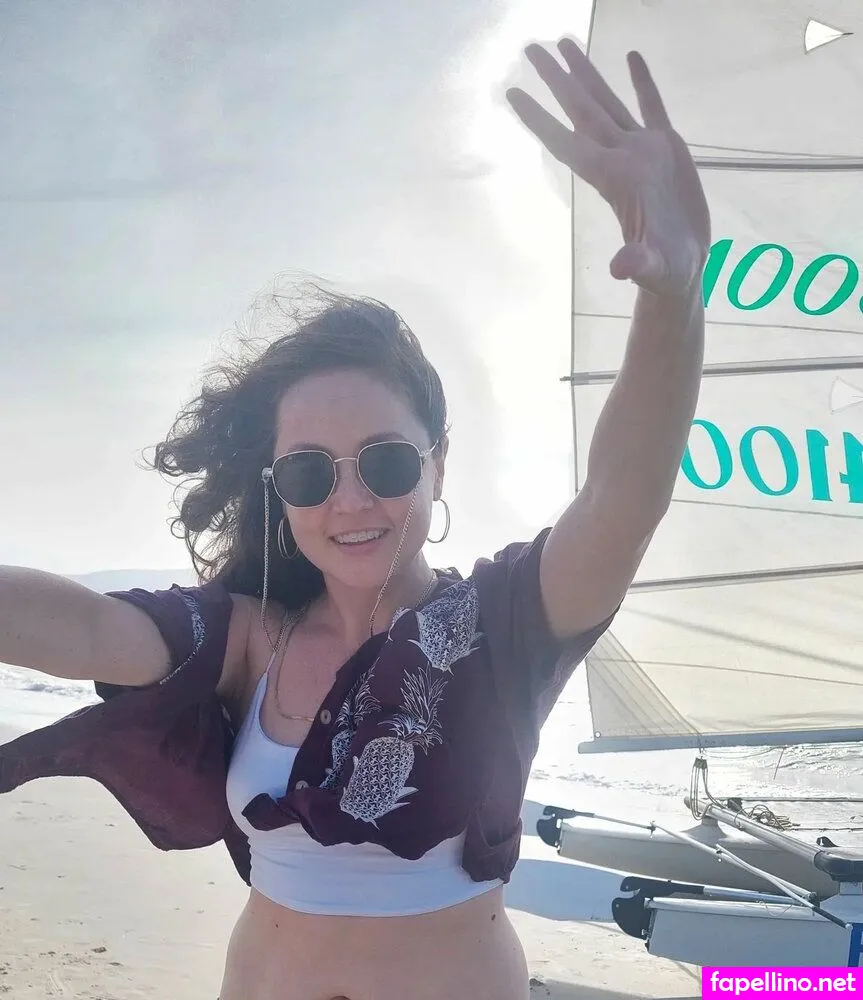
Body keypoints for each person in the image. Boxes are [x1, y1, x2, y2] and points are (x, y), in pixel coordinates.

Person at [0, 36, 709, 1000]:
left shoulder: (507, 621)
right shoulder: (243, 634)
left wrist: (672, 296)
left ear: (437, 462)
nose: (349, 499)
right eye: (308, 472)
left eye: (383, 461)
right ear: (277, 488)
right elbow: (86, 628)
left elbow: (622, 500)